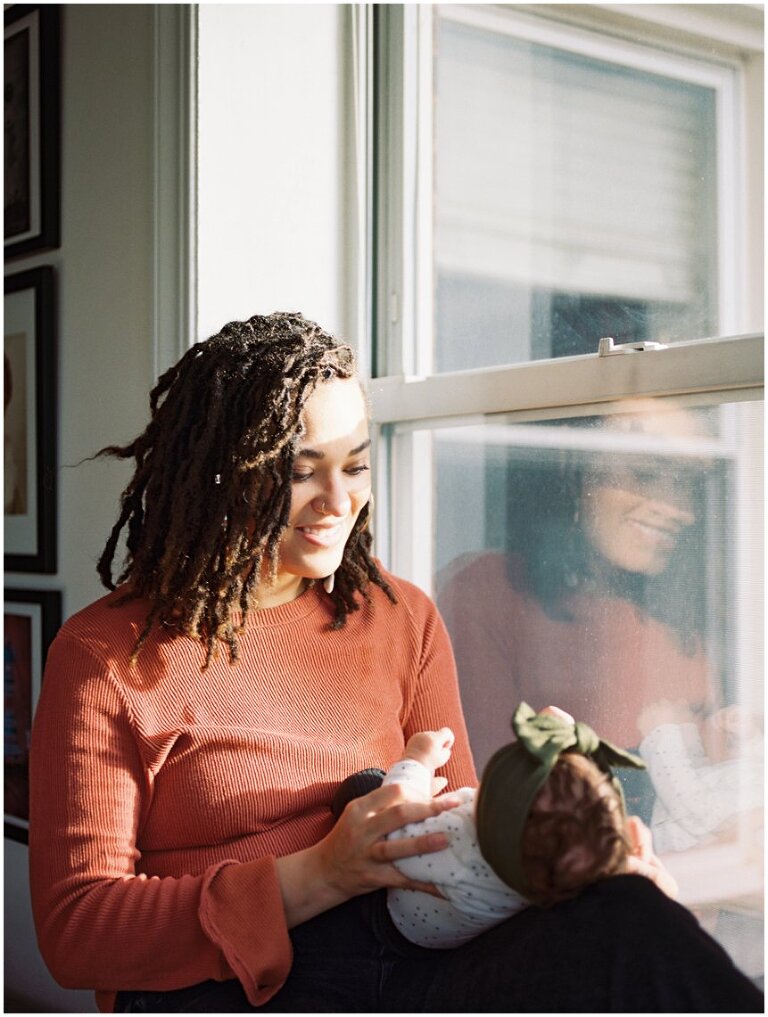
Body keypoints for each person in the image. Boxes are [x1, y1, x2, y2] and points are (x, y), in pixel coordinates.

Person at [29, 314, 762, 1014]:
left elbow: (466, 825)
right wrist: (322, 872)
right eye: (301, 471)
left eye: (355, 465)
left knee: (627, 916)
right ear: (222, 472)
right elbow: (76, 930)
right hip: (226, 983)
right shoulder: (104, 658)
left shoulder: (399, 614)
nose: (338, 501)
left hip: (413, 953)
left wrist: (578, 855)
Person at [333, 702, 676, 949]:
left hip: (394, 923)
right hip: (462, 926)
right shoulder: (566, 868)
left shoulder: (455, 845)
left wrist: (417, 760)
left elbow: (390, 830)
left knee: (365, 785)